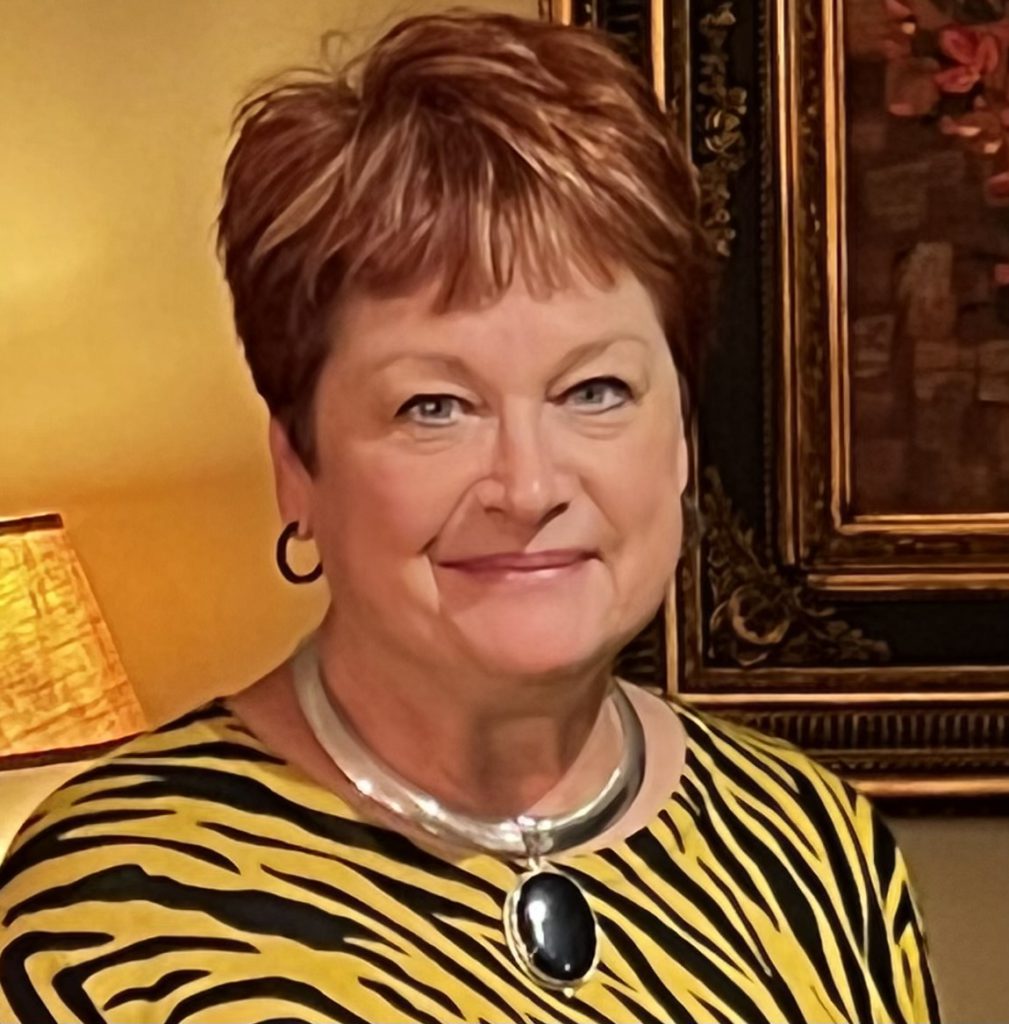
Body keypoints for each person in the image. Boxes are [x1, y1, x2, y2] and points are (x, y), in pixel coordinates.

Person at [0, 9, 939, 1023]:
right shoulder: (107, 909)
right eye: (434, 407)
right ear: (297, 468)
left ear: (678, 437)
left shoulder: (812, 847)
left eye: (594, 391)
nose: (528, 488)